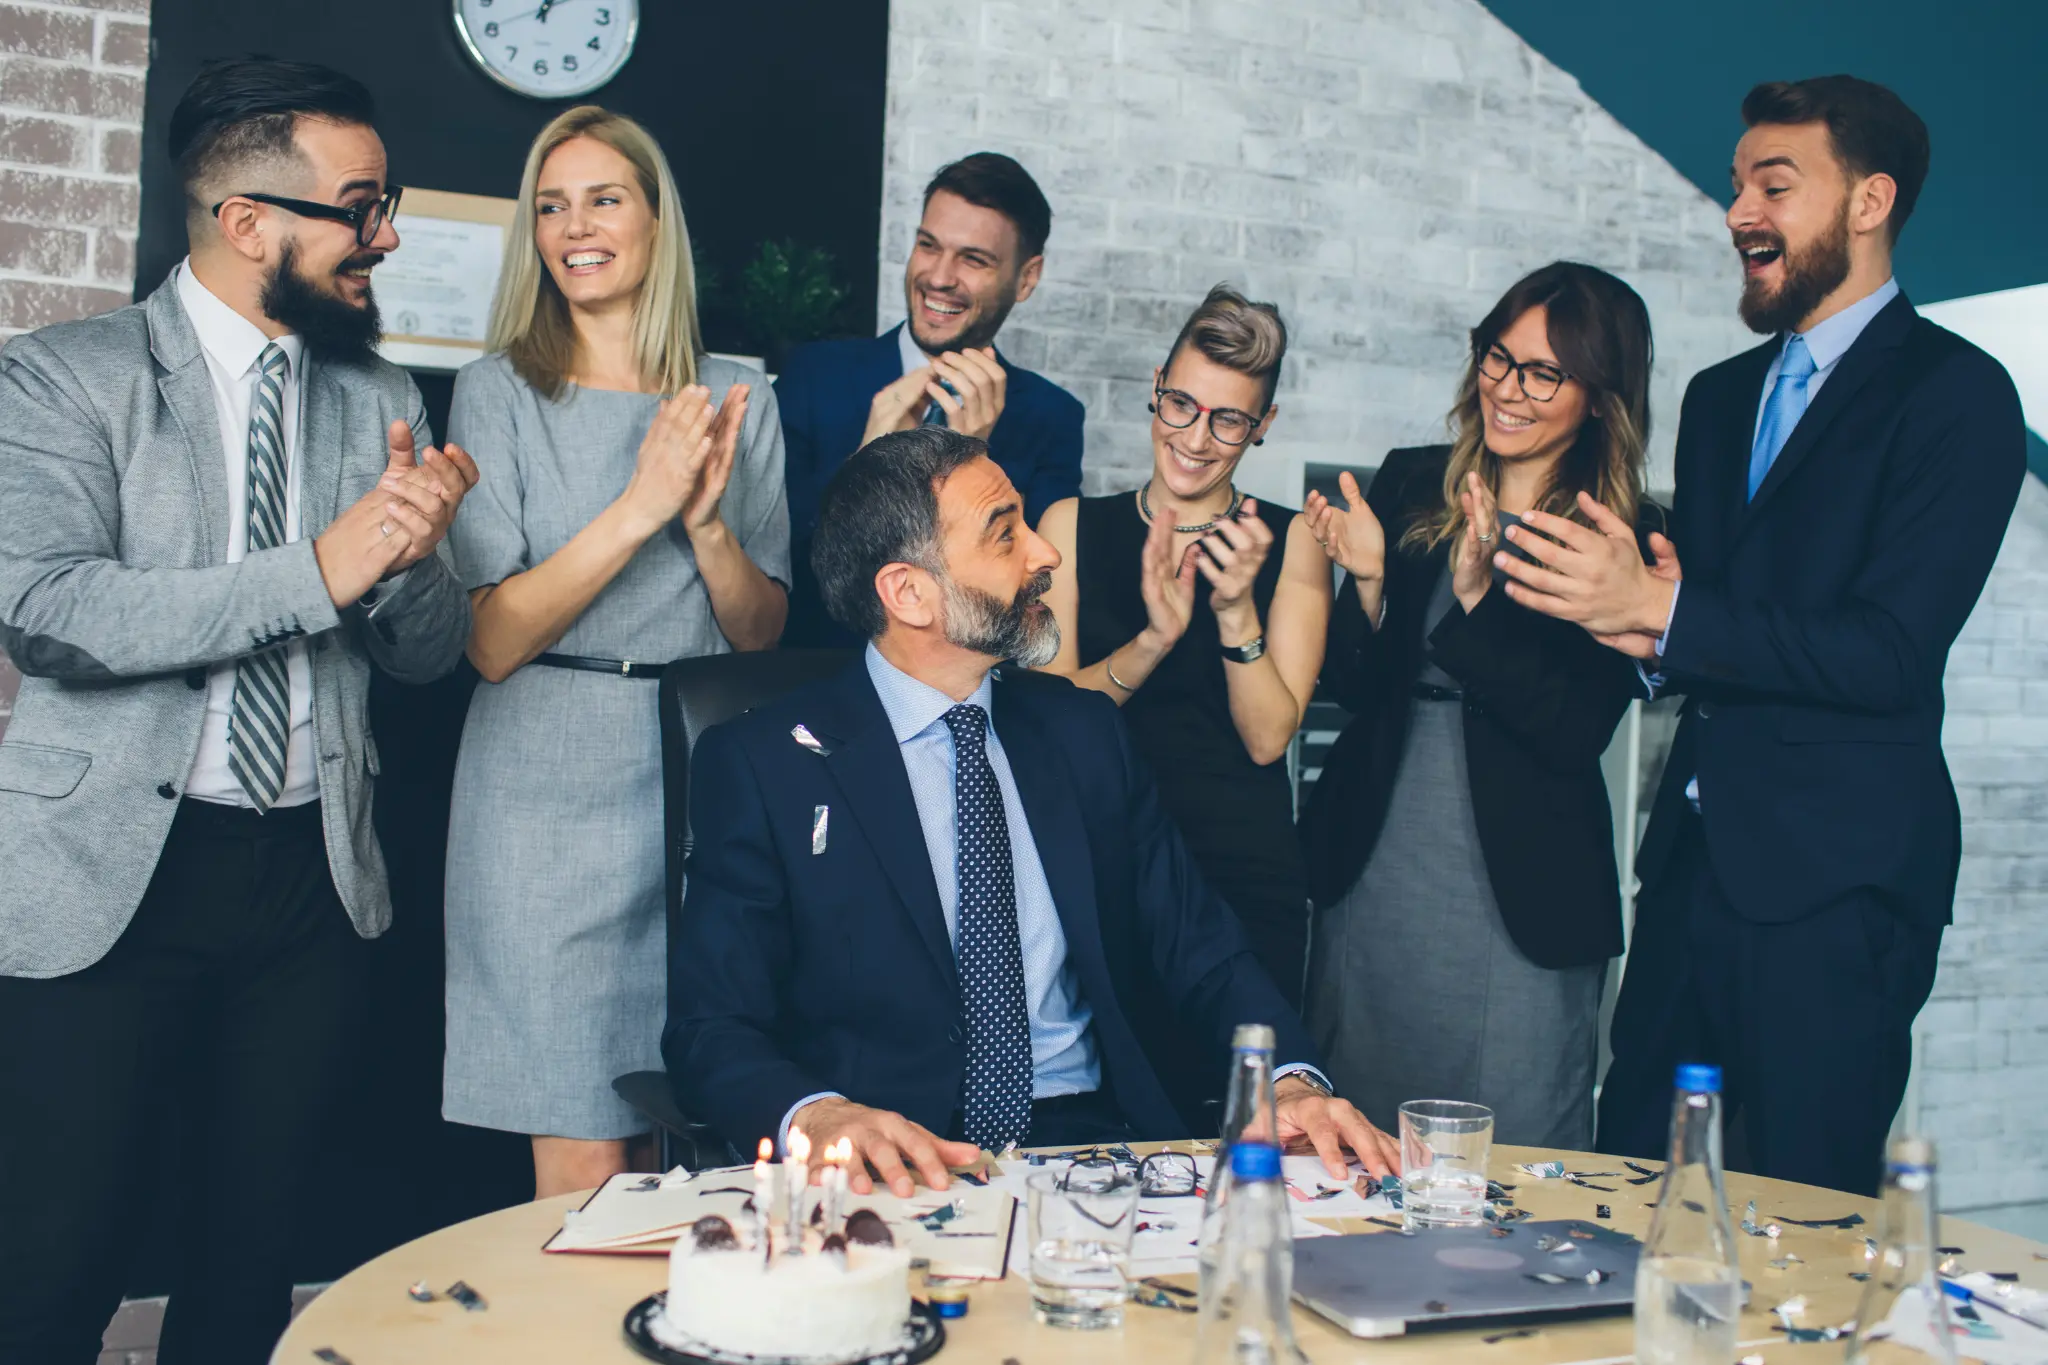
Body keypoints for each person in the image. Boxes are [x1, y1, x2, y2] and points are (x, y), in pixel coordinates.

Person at [0, 59, 476, 1364]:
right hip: (107, 885)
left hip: (307, 888)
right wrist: (325, 567)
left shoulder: (381, 399)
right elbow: (55, 612)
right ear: (249, 222)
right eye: (363, 205)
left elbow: (431, 659)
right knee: (52, 1263)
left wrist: (415, 560)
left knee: (249, 1258)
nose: (388, 236)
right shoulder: (59, 379)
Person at [1491, 79, 2026, 1195]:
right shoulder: (1720, 396)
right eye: (1736, 185)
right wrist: (1646, 628)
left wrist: (1660, 610)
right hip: (1689, 875)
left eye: (1772, 186)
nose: (1739, 210)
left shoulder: (1958, 397)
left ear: (1869, 201)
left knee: (1799, 1224)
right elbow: (1720, 631)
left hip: (1836, 891)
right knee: (1629, 1197)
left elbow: (1887, 654)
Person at [664, 426, 1396, 1194]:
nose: (1045, 554)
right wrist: (815, 1116)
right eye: (1004, 531)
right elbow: (710, 1027)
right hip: (893, 1166)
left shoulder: (1083, 733)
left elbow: (1205, 951)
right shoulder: (762, 762)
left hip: (1094, 1152)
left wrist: (1290, 1079)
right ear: (908, 592)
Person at [442, 107, 790, 1200]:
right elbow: (491, 640)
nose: (573, 226)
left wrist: (704, 524)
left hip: (702, 782)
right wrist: (641, 505)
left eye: (603, 198)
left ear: (654, 219)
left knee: (677, 1147)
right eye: (550, 205)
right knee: (584, 1153)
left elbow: (763, 634)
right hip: (540, 789)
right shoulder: (497, 390)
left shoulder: (739, 390)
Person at [1293, 262, 1660, 1150]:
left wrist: (1475, 606)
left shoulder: (1623, 535)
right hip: (1377, 860)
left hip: (1522, 887)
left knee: (1514, 1164)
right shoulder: (1413, 480)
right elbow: (1350, 687)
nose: (1510, 389)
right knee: (1358, 1151)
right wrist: (1373, 582)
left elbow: (1573, 732)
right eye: (1499, 357)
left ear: (1600, 396)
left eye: (1544, 373)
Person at [1037, 285, 1326, 1009]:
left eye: (1229, 421)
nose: (1196, 440)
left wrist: (1234, 612)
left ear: (1264, 425)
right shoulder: (1069, 526)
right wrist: (1154, 640)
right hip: (1100, 858)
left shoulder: (1294, 542)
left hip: (1241, 878)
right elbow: (1048, 725)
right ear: (1157, 389)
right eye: (1183, 406)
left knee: (1240, 1112)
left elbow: (1267, 740)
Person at [776, 152, 1084, 648]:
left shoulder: (1052, 418)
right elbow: (776, 571)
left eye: (973, 259)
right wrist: (864, 466)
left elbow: (1029, 602)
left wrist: (966, 464)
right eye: (928, 246)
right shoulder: (814, 376)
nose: (939, 277)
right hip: (814, 682)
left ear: (1026, 279)